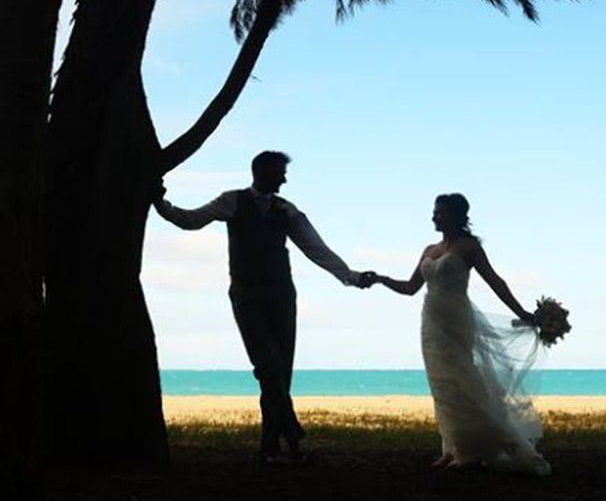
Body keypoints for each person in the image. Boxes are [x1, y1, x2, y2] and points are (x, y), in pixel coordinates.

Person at [154, 151, 370, 464]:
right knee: (268, 368)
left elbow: (316, 249)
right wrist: (160, 203)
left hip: (282, 294)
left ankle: (271, 448)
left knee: (280, 372)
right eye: (280, 172)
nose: (284, 178)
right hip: (246, 295)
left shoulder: (287, 210)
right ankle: (293, 439)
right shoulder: (232, 201)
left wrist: (350, 277)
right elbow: (189, 220)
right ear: (262, 172)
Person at [362, 193, 551, 475]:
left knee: (462, 379)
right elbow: (410, 288)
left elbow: (495, 281)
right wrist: (380, 279)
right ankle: (453, 448)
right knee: (442, 385)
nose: (434, 217)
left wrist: (524, 313)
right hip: (431, 323)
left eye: (440, 212)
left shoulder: (469, 246)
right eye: (434, 212)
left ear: (457, 215)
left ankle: (487, 445)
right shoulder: (429, 249)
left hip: (457, 319)